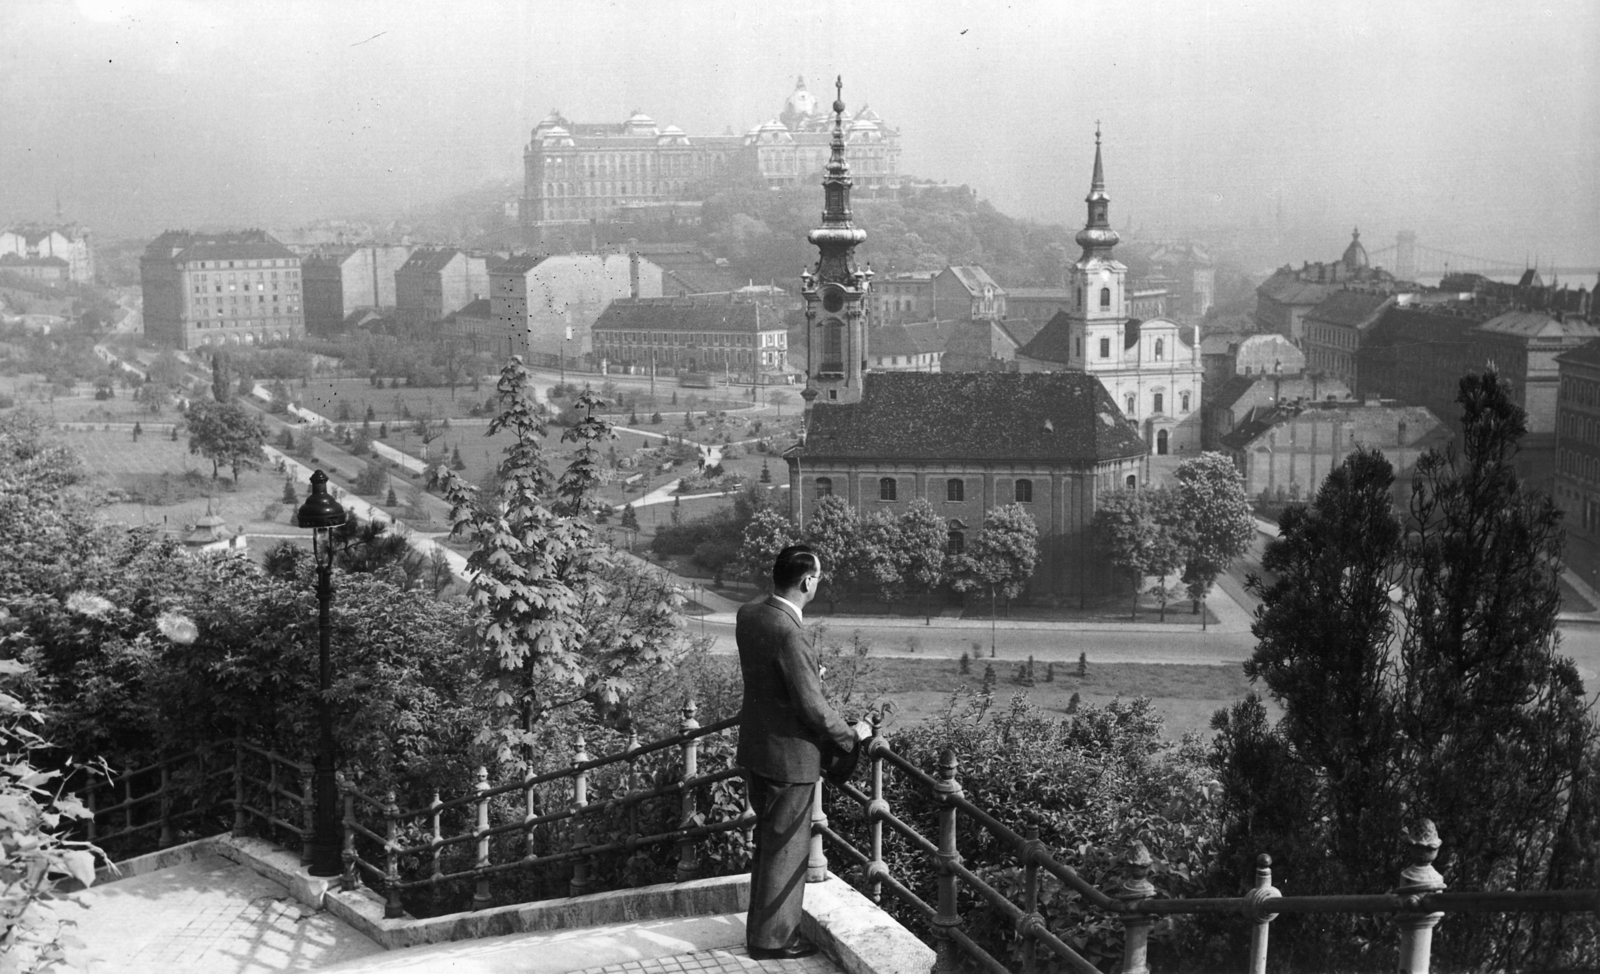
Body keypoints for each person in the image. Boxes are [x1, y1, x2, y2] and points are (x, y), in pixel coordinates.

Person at [736, 544, 864, 960]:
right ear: (808, 581)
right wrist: (852, 735)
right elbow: (813, 709)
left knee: (768, 846)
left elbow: (769, 673)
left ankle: (764, 931)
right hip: (789, 760)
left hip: (757, 748)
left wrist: (807, 672)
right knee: (786, 851)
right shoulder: (790, 632)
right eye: (818, 577)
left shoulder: (750, 614)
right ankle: (772, 941)